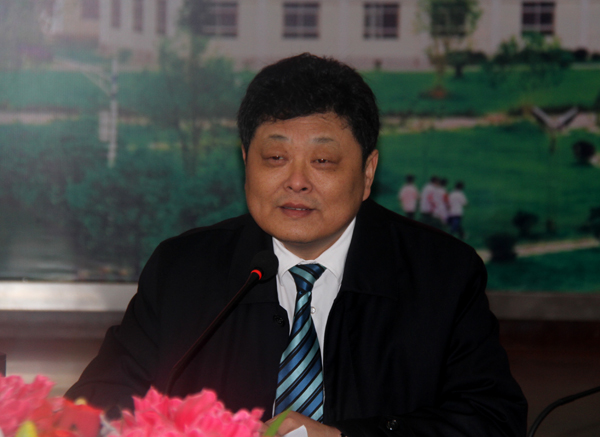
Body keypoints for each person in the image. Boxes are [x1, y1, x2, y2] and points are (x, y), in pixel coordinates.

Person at [66, 54, 527, 437]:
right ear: (245, 160)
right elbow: (94, 404)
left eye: (322, 160)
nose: (297, 181)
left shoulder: (441, 275)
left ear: (368, 172)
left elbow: (492, 420)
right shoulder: (182, 270)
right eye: (275, 157)